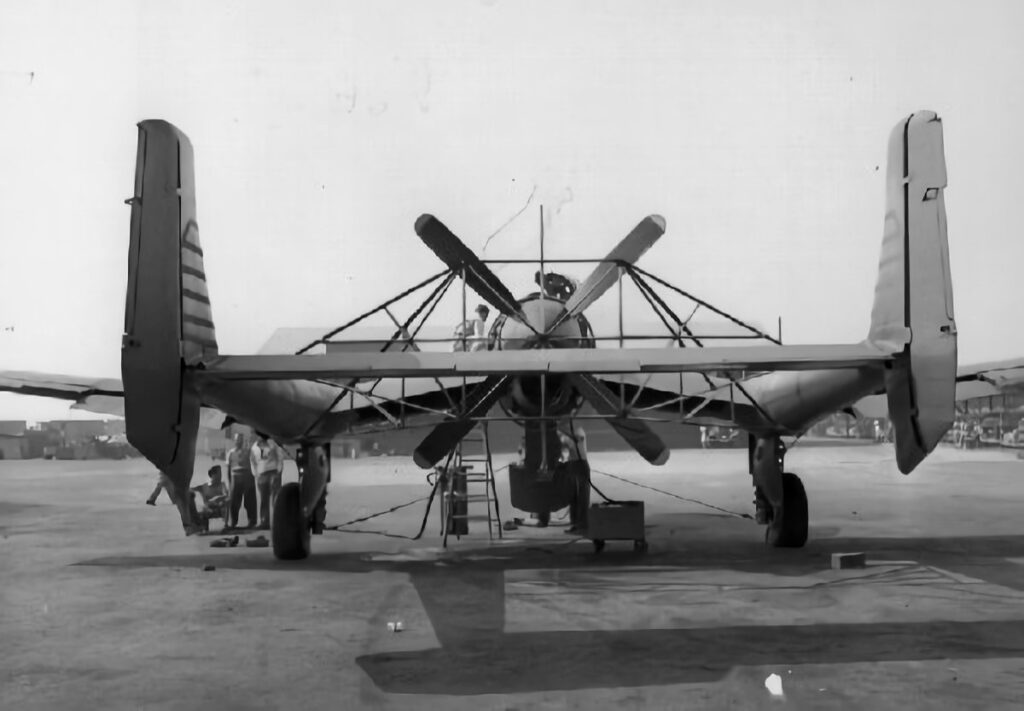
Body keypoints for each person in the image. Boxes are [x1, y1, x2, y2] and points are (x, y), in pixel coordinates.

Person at [559, 424, 590, 534]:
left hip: (580, 463)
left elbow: (577, 439)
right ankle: (575, 523)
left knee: (582, 496)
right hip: (572, 463)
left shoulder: (579, 430)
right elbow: (562, 446)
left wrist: (561, 429)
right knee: (573, 496)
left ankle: (582, 524)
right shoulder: (564, 434)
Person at [251, 434, 284, 530]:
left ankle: (278, 522)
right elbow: (252, 461)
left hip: (273, 472)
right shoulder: (254, 447)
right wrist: (255, 474)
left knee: (276, 499)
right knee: (263, 500)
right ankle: (264, 522)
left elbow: (280, 456)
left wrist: (279, 471)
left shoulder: (273, 444)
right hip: (261, 474)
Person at [226, 432, 257, 528]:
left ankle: (252, 522)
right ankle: (233, 522)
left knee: (250, 501)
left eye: (240, 440)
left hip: (248, 477)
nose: (238, 441)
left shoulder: (249, 451)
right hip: (235, 477)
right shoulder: (230, 453)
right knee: (234, 502)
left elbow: (254, 464)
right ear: (234, 441)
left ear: (242, 441)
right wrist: (230, 482)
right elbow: (228, 468)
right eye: (236, 440)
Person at [188, 465, 229, 532]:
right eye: (219, 474)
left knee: (228, 501)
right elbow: (189, 489)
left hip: (221, 509)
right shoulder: (204, 486)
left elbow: (226, 495)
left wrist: (216, 499)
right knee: (199, 509)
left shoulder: (222, 484)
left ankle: (226, 525)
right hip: (208, 510)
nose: (221, 476)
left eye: (221, 474)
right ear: (213, 475)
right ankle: (202, 527)